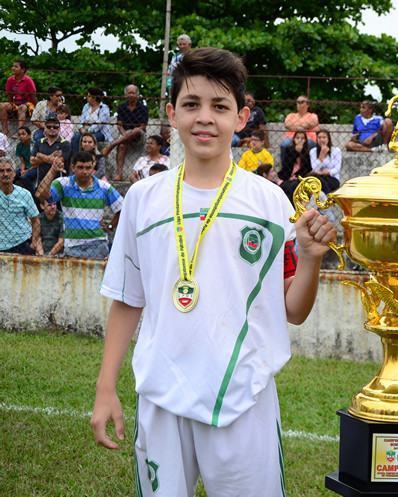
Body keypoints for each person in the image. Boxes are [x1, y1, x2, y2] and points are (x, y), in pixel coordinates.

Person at [89, 47, 335, 497]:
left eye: (219, 106)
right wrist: (106, 387)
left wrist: (312, 257)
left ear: (241, 117)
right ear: (171, 114)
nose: (205, 117)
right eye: (192, 104)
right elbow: (128, 298)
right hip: (162, 394)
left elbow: (293, 311)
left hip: (244, 395)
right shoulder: (143, 199)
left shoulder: (269, 203)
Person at [36, 151, 122, 259]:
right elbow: (40, 194)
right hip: (72, 246)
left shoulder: (103, 187)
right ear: (73, 167)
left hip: (97, 244)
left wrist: (110, 226)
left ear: (93, 167)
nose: (84, 171)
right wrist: (53, 170)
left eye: (88, 168)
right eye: (80, 167)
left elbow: (122, 208)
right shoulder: (63, 184)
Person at [103, 84, 149, 181]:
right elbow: (119, 125)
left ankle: (112, 145)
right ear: (125, 95)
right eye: (129, 93)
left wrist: (128, 133)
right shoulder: (121, 108)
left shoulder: (143, 108)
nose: (131, 95)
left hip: (139, 136)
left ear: (137, 95)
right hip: (124, 135)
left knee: (136, 130)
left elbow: (143, 126)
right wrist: (125, 134)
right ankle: (119, 174)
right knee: (122, 146)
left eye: (133, 93)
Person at [0, 158, 42, 255]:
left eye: (8, 170)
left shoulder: (25, 194)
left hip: (22, 244)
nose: (5, 174)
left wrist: (34, 243)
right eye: (1, 171)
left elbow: (35, 221)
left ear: (14, 174)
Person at [24, 116, 71, 192]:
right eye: (49, 127)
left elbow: (58, 162)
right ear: (45, 128)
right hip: (41, 181)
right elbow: (32, 161)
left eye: (55, 127)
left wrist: (40, 156)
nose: (52, 128)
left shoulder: (65, 143)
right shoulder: (39, 142)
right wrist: (50, 157)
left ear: (59, 129)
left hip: (59, 183)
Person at [0, 60, 36, 136]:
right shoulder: (10, 80)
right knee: (2, 105)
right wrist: (11, 105)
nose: (13, 68)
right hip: (15, 103)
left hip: (27, 104)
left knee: (22, 108)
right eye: (13, 66)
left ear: (23, 70)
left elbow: (33, 95)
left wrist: (36, 107)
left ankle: (20, 132)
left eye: (16, 66)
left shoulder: (28, 80)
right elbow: (9, 95)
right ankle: (5, 131)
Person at [71, 88, 112, 153]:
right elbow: (81, 119)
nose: (87, 97)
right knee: (75, 137)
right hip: (84, 130)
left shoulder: (104, 108)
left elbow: (99, 124)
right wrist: (81, 128)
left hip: (100, 132)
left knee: (88, 139)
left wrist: (87, 131)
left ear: (94, 98)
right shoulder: (86, 106)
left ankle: (89, 160)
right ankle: (75, 159)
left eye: (89, 96)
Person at [279, 130, 313, 203]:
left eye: (302, 138)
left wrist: (301, 153)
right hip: (287, 176)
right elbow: (286, 166)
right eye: (297, 138)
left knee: (294, 186)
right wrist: (295, 153)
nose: (300, 140)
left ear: (305, 140)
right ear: (294, 139)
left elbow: (307, 168)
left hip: (300, 177)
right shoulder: (288, 150)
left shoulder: (307, 152)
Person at [309, 129, 341, 193]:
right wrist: (321, 156)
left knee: (320, 182)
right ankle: (328, 197)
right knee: (316, 179)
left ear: (328, 139)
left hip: (332, 178)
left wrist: (327, 172)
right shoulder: (313, 151)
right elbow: (314, 168)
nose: (321, 140)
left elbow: (337, 168)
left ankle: (327, 196)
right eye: (319, 137)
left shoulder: (336, 151)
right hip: (318, 177)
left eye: (324, 137)